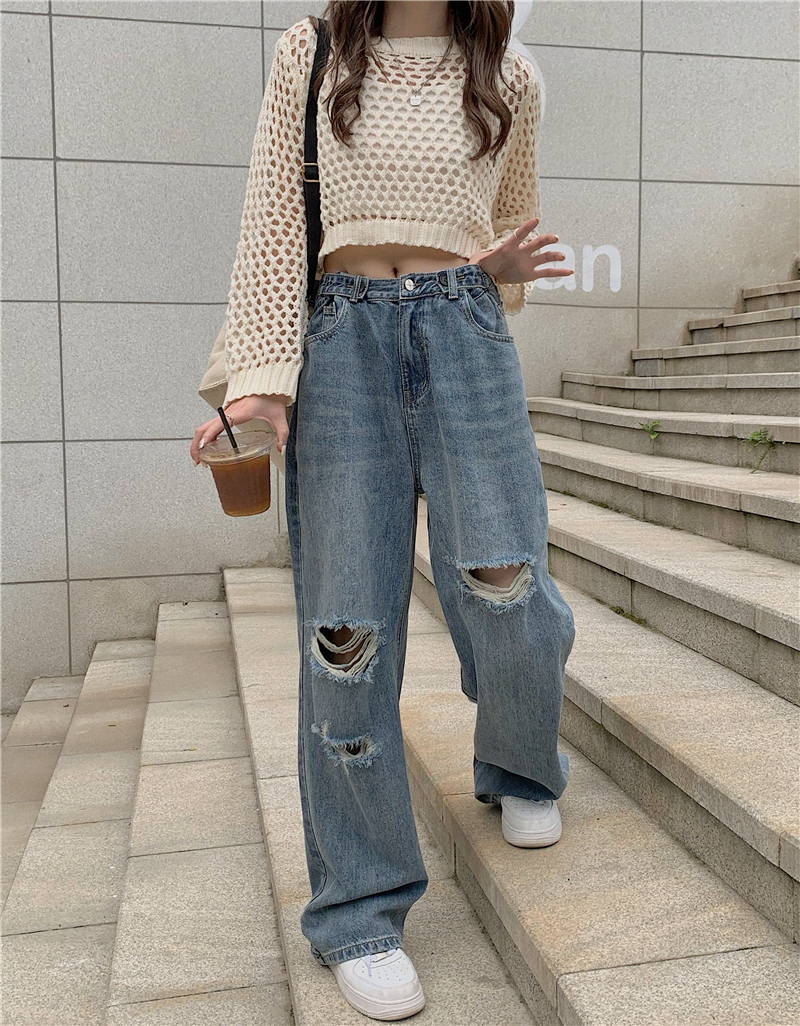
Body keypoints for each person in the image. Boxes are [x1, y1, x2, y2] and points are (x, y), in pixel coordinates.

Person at [191, 2, 575, 1019]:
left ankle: (520, 763)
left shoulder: (508, 73)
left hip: (464, 333)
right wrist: (259, 379)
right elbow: (274, 221)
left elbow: (505, 218)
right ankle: (360, 908)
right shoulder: (314, 51)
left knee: (507, 588)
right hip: (341, 343)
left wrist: (494, 269)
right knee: (346, 632)